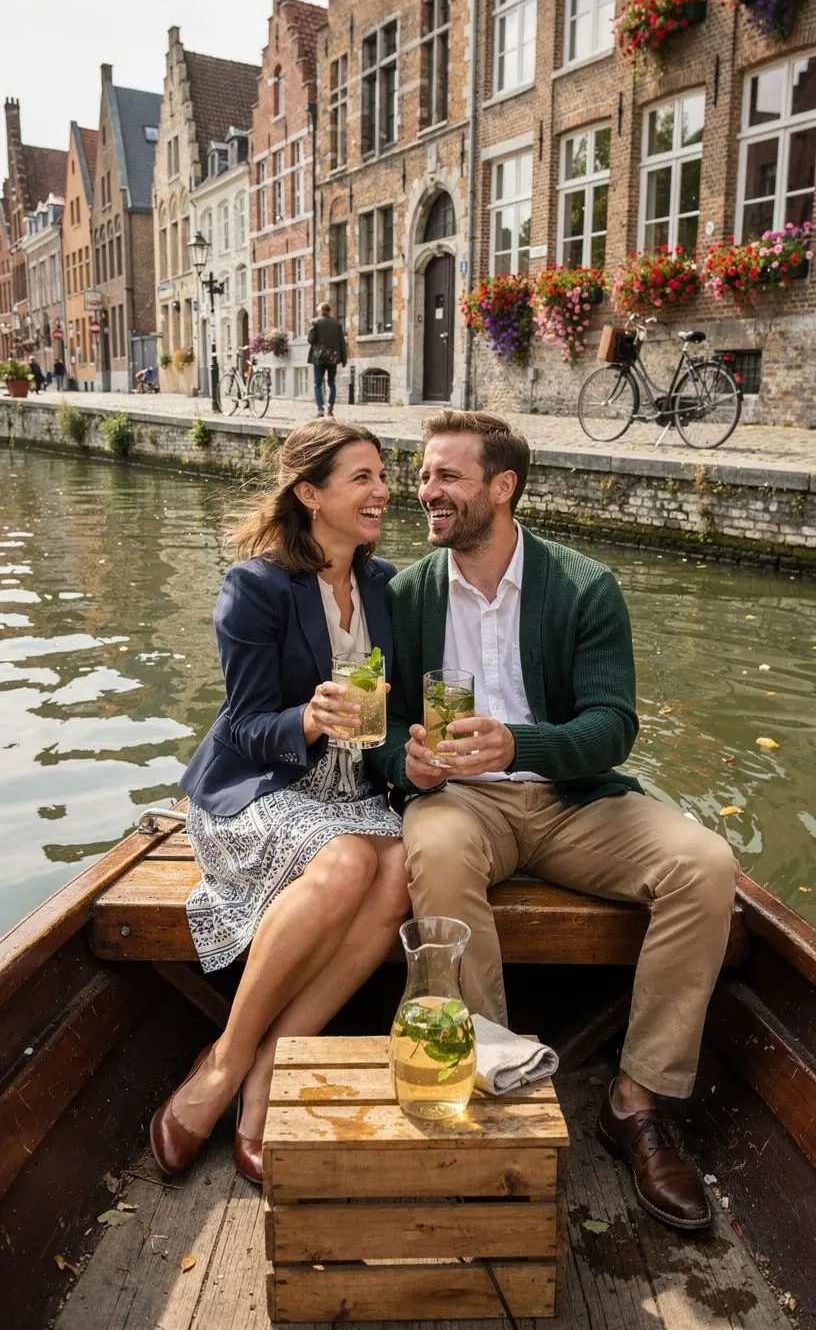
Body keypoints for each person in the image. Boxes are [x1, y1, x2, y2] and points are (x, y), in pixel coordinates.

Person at [369, 407, 739, 1234]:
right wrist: (407, 762)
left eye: (447, 477)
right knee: (432, 843)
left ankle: (635, 1100)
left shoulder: (583, 586)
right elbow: (382, 728)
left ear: (502, 488)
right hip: (465, 803)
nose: (426, 491)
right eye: (424, 475)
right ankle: (494, 1068)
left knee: (706, 864)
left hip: (574, 799)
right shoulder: (406, 595)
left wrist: (519, 739)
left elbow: (613, 725)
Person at [151, 420, 408, 1185]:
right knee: (347, 864)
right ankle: (225, 1063)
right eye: (361, 477)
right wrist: (310, 716)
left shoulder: (387, 584)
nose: (382, 491)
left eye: (383, 475)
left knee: (399, 870)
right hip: (259, 788)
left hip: (350, 790)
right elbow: (244, 723)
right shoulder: (257, 586)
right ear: (310, 494)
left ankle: (272, 1065)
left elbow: (400, 713)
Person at [307, 301, 347, 419]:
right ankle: (330, 408)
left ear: (320, 310)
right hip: (333, 358)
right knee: (331, 383)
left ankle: (320, 409)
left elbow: (311, 340)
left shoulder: (315, 322)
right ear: (329, 311)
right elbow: (342, 343)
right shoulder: (337, 324)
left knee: (318, 384)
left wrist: (311, 329)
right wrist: (344, 359)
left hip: (319, 358)